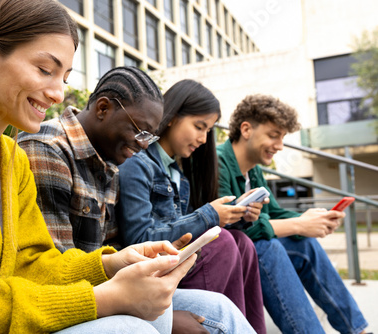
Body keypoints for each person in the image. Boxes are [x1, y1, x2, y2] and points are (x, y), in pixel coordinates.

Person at [0, 1, 197, 333]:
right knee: (130, 328)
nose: (58, 94)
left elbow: (31, 264)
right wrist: (105, 299)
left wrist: (109, 265)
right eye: (46, 70)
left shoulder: (12, 158)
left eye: (65, 77)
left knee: (168, 313)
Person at [18, 67, 256, 334]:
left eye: (149, 136)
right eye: (140, 132)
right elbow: (52, 274)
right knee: (150, 325)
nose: (144, 146)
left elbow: (111, 249)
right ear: (103, 108)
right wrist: (152, 309)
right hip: (59, 303)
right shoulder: (47, 150)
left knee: (220, 310)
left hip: (100, 289)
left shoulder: (109, 161)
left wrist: (151, 258)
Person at [116, 79, 266, 333]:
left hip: (176, 260)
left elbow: (178, 225)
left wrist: (238, 215)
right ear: (172, 117)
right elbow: (139, 238)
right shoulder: (138, 163)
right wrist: (209, 216)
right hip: (153, 266)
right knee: (225, 243)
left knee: (242, 242)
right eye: (199, 126)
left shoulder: (177, 173)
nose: (203, 138)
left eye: (208, 130)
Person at [216, 94, 369, 334]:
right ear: (246, 129)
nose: (279, 145)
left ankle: (357, 329)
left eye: (282, 137)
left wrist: (313, 219)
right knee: (270, 247)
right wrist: (299, 224)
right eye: (273, 135)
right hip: (225, 255)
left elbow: (274, 212)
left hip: (249, 249)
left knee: (304, 241)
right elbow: (232, 228)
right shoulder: (218, 162)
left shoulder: (253, 171)